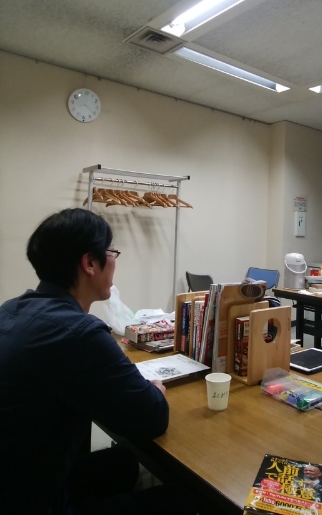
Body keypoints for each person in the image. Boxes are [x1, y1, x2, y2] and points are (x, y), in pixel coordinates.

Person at [0, 208, 197, 515]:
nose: (114, 261)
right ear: (90, 263)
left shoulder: (10, 310)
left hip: (18, 475)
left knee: (122, 463)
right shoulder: (79, 333)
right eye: (111, 252)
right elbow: (152, 418)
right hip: (32, 503)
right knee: (182, 501)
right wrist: (155, 391)